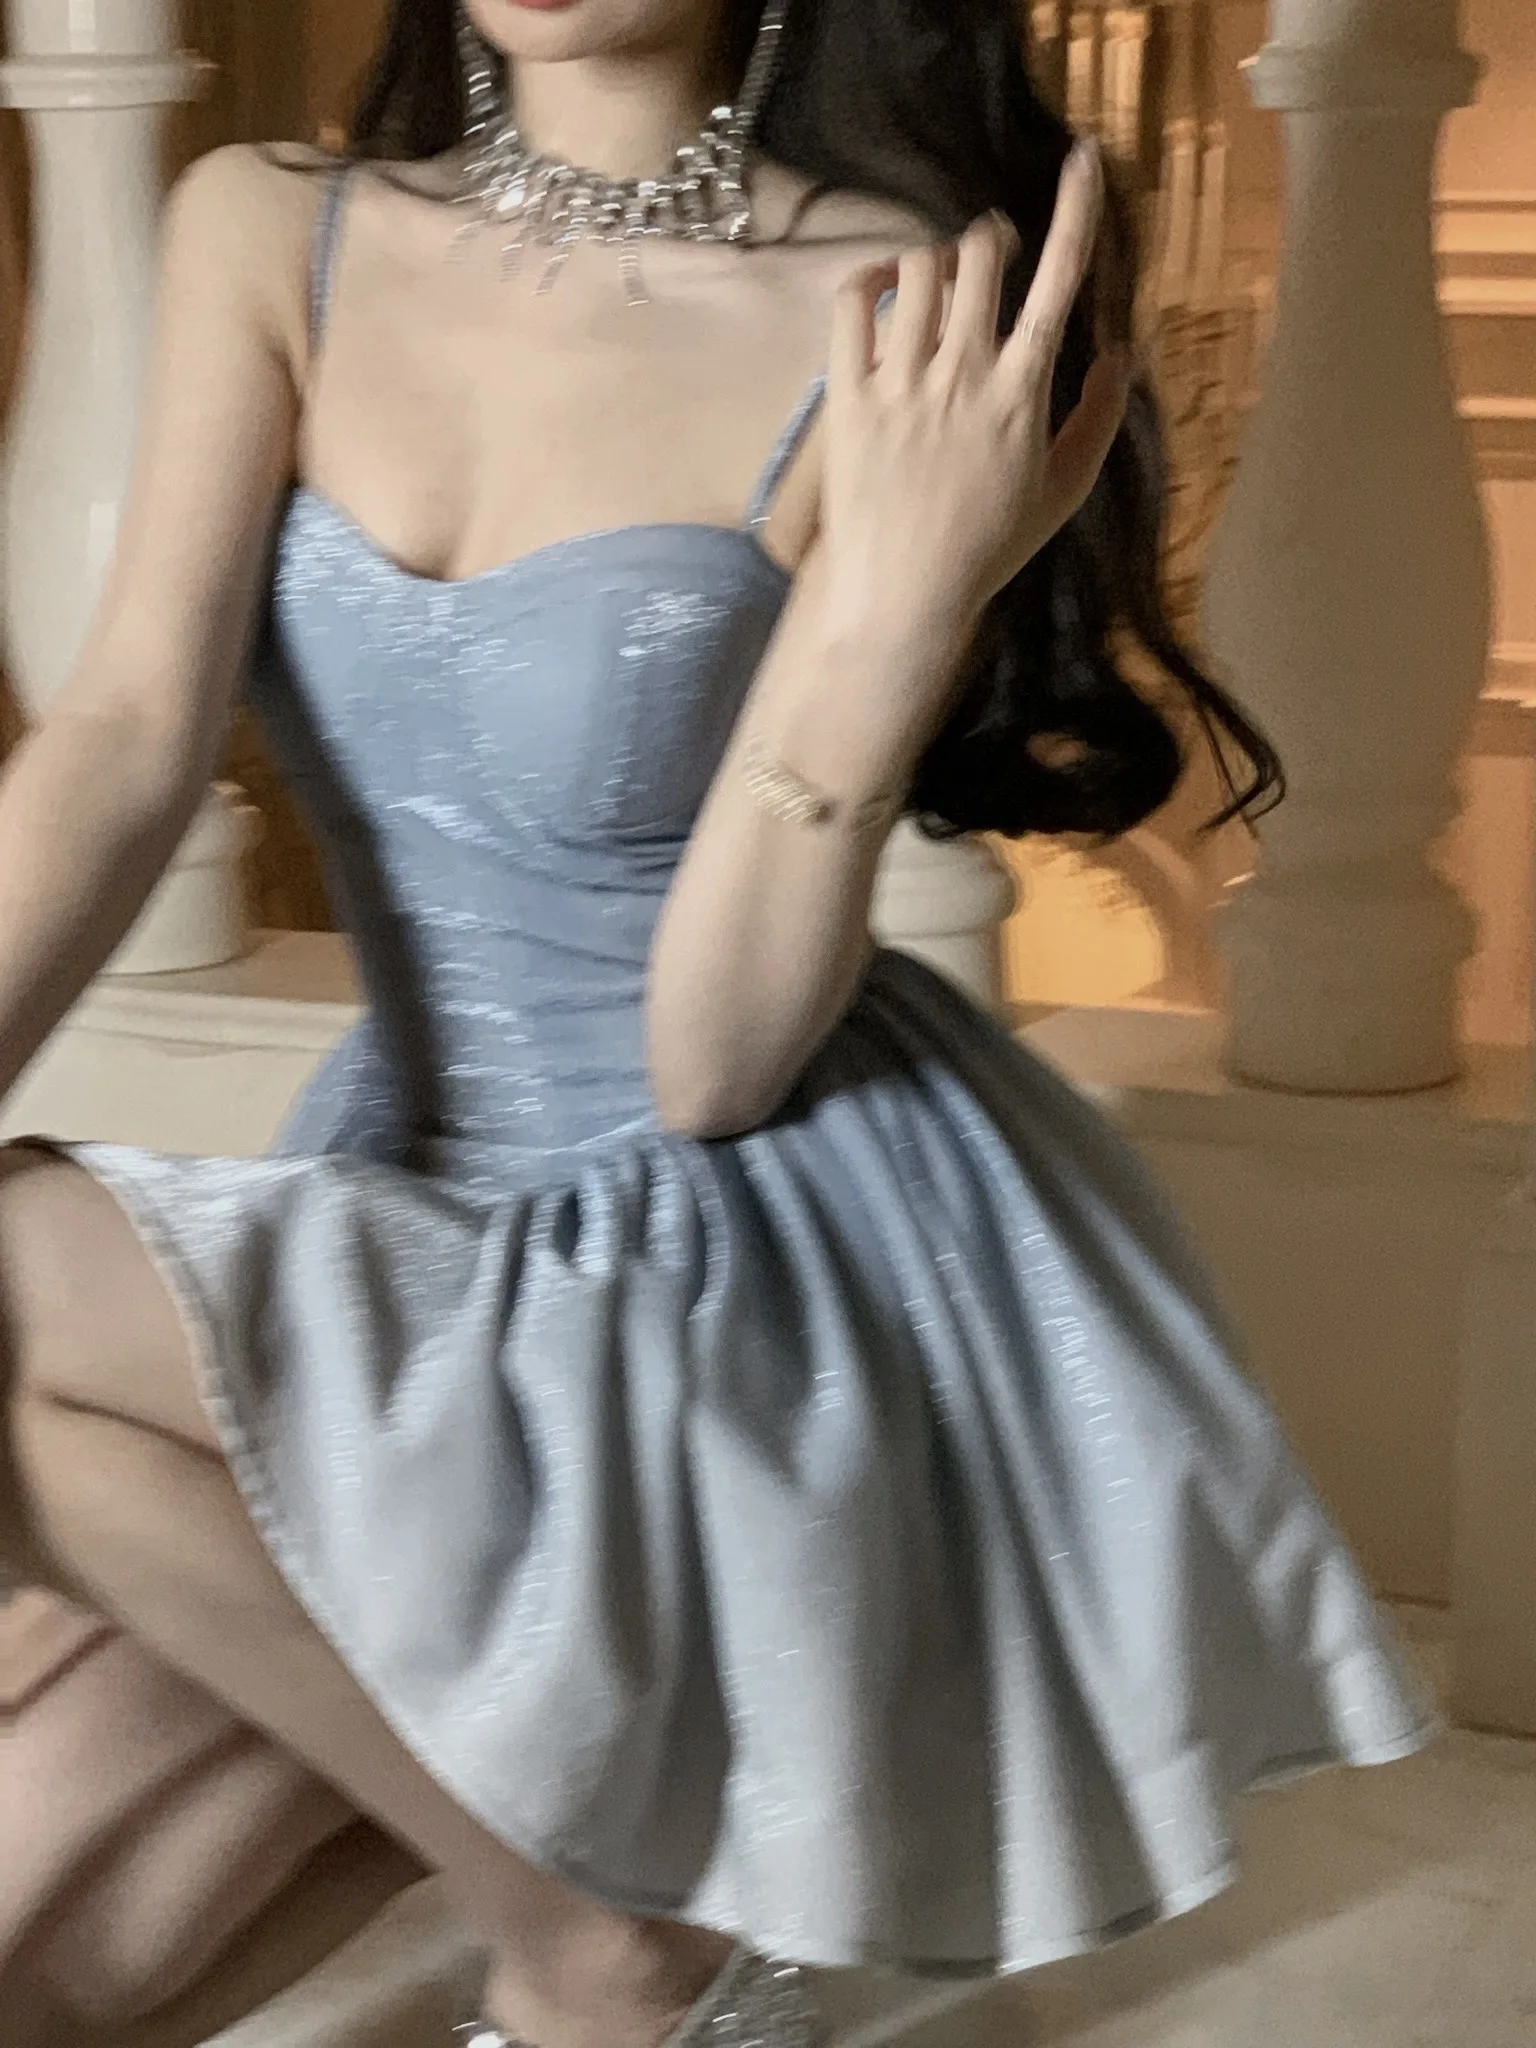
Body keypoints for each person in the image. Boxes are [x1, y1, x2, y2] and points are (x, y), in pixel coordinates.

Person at [0, 2, 1436, 2044]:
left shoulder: (894, 304)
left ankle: (594, 1941)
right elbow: (125, 739)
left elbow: (712, 1065)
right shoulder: (268, 226)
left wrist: (900, 612)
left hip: (701, 1257)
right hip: (401, 1213)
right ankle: (595, 1919)